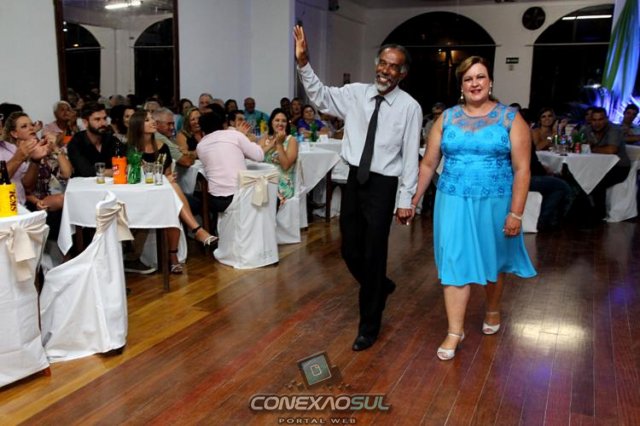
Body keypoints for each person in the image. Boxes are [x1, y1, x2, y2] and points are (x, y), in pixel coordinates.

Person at [294, 25, 421, 351]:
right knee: (349, 250)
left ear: (402, 73)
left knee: (374, 253)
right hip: (355, 179)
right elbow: (321, 96)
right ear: (377, 64)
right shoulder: (355, 94)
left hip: (383, 185)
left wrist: (406, 198)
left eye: (393, 66)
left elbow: (410, 156)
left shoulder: (409, 107)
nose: (386, 70)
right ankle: (380, 286)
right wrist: (304, 63)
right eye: (383, 63)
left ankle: (369, 326)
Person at [410, 56, 536, 360]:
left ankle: (492, 308)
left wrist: (516, 213)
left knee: (494, 261)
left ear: (490, 82)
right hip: (452, 200)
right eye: (468, 78)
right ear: (461, 85)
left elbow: (522, 169)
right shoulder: (446, 118)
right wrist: (412, 200)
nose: (475, 83)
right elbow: (428, 164)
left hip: (495, 202)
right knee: (454, 261)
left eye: (480, 77)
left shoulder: (510, 118)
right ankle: (455, 331)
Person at [127, 110, 217, 273]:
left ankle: (177, 251)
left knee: (172, 197)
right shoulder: (131, 149)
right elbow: (131, 176)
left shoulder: (162, 147)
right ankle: (195, 232)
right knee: (173, 192)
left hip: (160, 193)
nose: (152, 122)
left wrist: (167, 178)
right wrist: (164, 179)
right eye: (147, 120)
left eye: (152, 119)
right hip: (140, 195)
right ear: (138, 125)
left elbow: (168, 173)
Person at [197, 112, 264, 232]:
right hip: (242, 196)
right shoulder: (235, 135)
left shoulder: (200, 146)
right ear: (224, 124)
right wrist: (246, 139)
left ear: (202, 130)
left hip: (216, 201)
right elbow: (259, 156)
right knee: (271, 195)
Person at [583, 107, 631, 222]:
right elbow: (578, 143)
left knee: (597, 181)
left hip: (619, 167)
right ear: (590, 120)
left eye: (600, 119)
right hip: (596, 166)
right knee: (579, 177)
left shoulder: (614, 130)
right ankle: (581, 210)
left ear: (606, 119)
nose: (597, 123)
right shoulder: (587, 130)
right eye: (594, 120)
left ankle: (599, 214)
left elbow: (611, 150)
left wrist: (591, 148)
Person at [1, 112, 52, 206]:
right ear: (14, 133)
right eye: (24, 126)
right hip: (5, 209)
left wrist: (35, 161)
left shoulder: (9, 147)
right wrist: (18, 157)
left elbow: (27, 187)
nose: (31, 128)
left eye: (0, 117)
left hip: (21, 207)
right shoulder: (18, 152)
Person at [529, 137, 573, 230]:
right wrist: (544, 171)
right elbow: (531, 164)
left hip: (517, 176)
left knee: (556, 181)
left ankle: (548, 220)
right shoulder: (523, 135)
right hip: (523, 179)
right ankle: (543, 221)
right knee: (562, 187)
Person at [67, 102, 120, 177]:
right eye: (97, 119)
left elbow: (125, 161)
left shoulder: (111, 139)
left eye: (104, 118)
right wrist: (115, 171)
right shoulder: (76, 142)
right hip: (84, 184)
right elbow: (86, 171)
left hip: (111, 183)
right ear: (85, 122)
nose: (103, 123)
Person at [258, 108, 298, 205]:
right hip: (265, 178)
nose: (280, 123)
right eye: (277, 120)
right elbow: (257, 156)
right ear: (271, 122)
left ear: (287, 124)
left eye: (283, 121)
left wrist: (279, 145)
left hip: (282, 182)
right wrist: (272, 143)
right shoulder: (265, 138)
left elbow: (285, 166)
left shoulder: (291, 140)